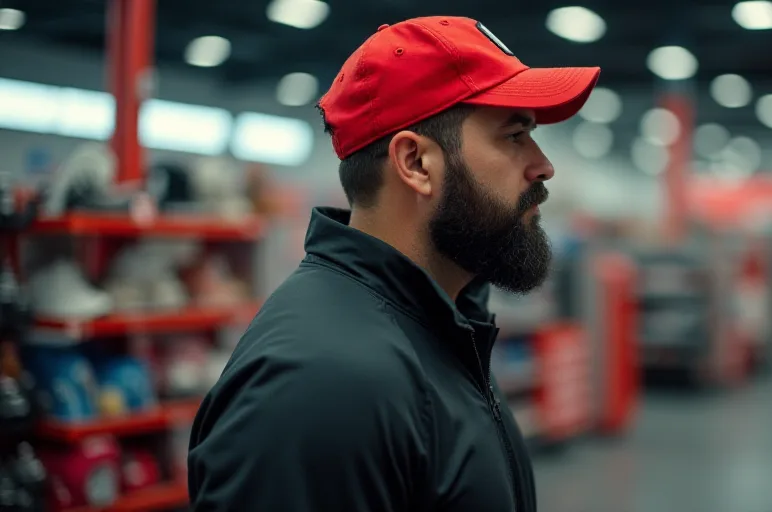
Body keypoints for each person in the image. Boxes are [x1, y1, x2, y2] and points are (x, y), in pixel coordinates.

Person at [187, 16, 600, 512]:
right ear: (416, 164)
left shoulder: (441, 327)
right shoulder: (322, 386)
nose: (543, 165)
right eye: (515, 136)